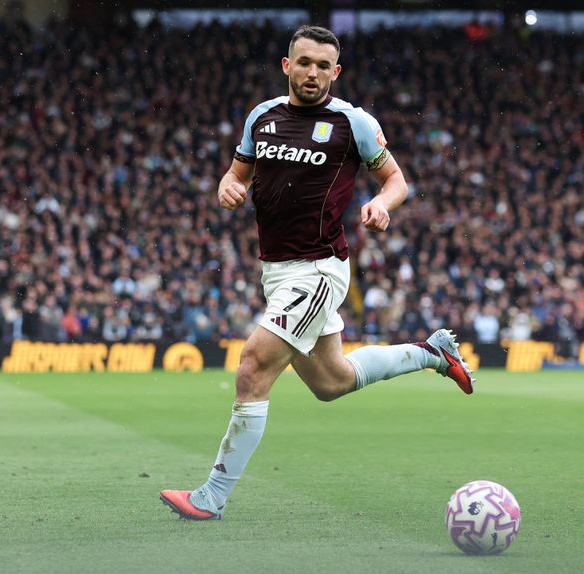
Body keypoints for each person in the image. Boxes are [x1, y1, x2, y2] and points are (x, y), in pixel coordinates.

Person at [160, 25, 474, 521]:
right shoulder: (261, 118)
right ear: (287, 66)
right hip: (277, 273)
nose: (313, 73)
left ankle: (211, 497)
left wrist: (382, 203)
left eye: (323, 66)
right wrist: (226, 186)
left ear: (336, 71)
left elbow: (396, 181)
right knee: (332, 381)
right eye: (304, 62)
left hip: (321, 269)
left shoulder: (353, 122)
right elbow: (236, 173)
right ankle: (429, 353)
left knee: (253, 366)